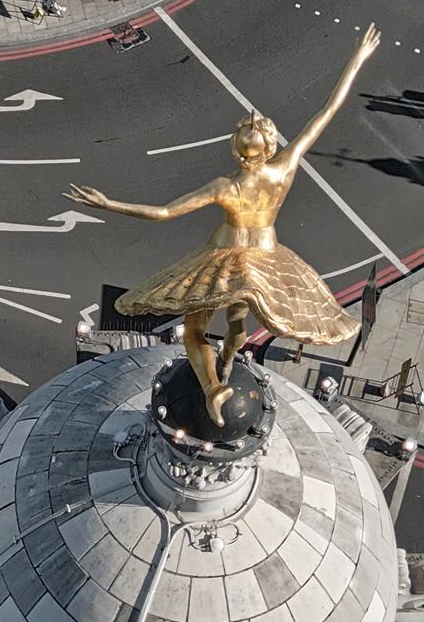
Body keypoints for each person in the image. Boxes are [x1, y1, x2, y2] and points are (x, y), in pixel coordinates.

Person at [64, 25, 382, 427]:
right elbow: (326, 112)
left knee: (194, 329)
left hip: (222, 258)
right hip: (265, 257)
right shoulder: (283, 169)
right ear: (268, 146)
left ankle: (213, 386)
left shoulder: (225, 186)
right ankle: (229, 360)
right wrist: (357, 60)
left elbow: (164, 213)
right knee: (237, 320)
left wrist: (109, 204)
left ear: (237, 148)